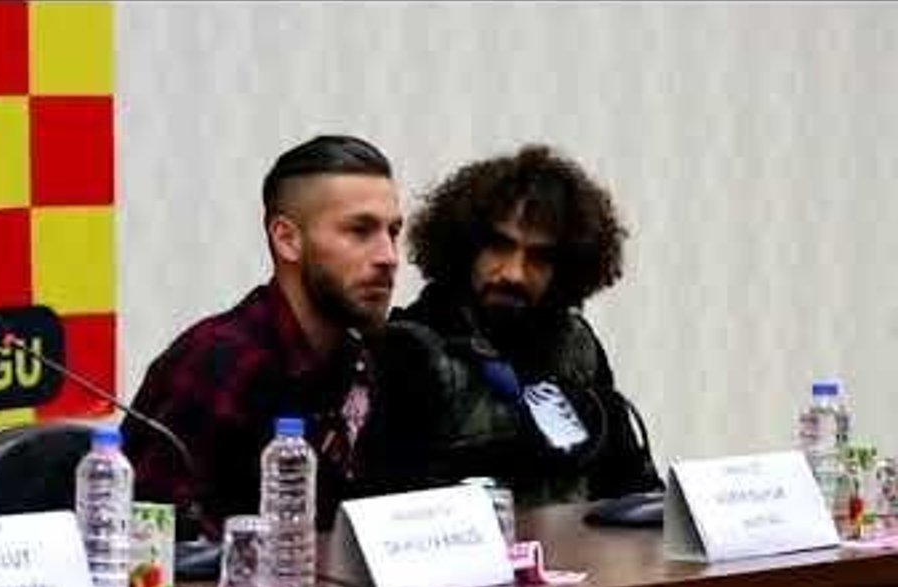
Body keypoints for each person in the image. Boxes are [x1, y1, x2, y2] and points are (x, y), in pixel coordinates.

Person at [122, 135, 405, 540]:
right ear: (287, 239)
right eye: (360, 231)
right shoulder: (221, 361)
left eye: (393, 232)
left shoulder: (360, 358)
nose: (388, 256)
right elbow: (152, 543)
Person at [370, 144, 660, 508]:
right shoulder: (410, 349)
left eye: (539, 257)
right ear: (466, 247)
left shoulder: (577, 345)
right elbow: (395, 514)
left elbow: (633, 493)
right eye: (499, 246)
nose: (514, 273)